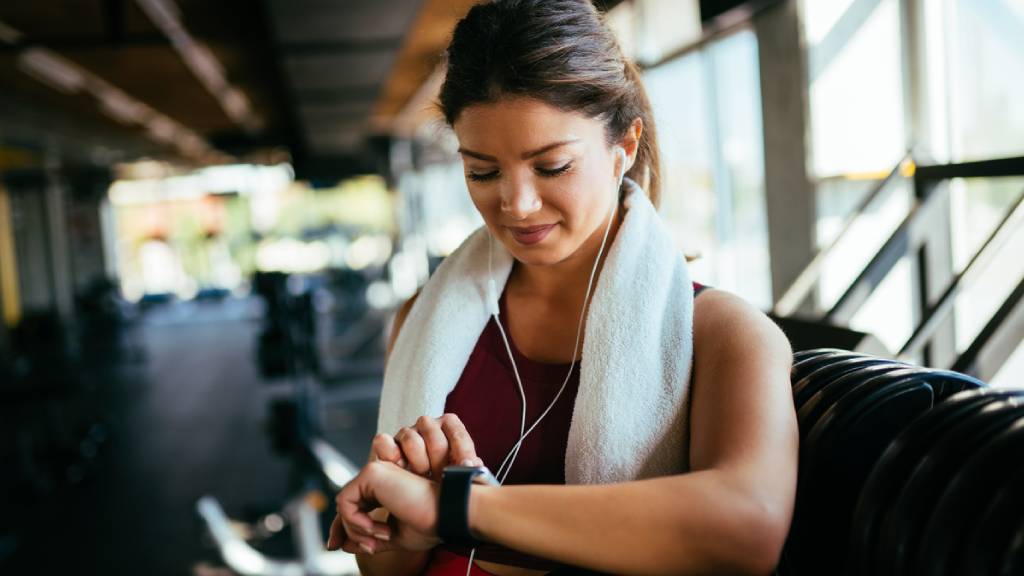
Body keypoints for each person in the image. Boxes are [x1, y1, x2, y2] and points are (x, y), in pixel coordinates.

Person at [325, 0, 798, 574]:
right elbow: (387, 571)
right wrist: (398, 527)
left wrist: (460, 509)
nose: (516, 205)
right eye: (482, 171)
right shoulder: (420, 320)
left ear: (624, 147)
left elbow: (747, 532)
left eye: (551, 167)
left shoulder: (723, 333)